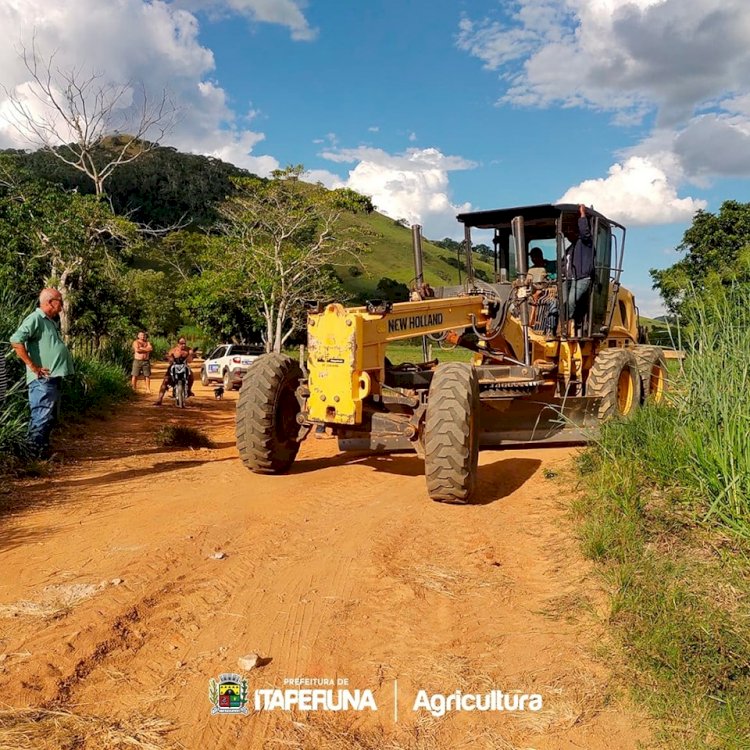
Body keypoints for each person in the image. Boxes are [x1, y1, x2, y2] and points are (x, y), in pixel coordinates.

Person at [10, 288, 74, 459]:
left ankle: (41, 451)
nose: (61, 307)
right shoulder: (36, 318)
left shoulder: (50, 321)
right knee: (41, 415)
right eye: (60, 302)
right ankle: (32, 455)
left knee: (49, 416)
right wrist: (33, 366)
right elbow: (16, 340)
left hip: (52, 378)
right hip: (42, 380)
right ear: (50, 302)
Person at [563, 204, 595, 337]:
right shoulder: (570, 249)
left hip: (583, 278)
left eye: (570, 230)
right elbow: (563, 264)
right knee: (561, 302)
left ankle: (567, 326)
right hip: (571, 279)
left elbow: (585, 233)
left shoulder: (586, 243)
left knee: (571, 301)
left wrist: (582, 215)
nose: (568, 233)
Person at [153, 336, 195, 406]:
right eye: (181, 343)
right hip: (174, 366)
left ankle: (189, 390)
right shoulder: (173, 350)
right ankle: (159, 399)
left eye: (184, 343)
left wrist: (191, 355)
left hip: (184, 366)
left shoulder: (189, 350)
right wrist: (169, 358)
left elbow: (190, 360)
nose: (183, 345)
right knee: (165, 380)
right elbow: (169, 358)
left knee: (191, 376)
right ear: (178, 344)